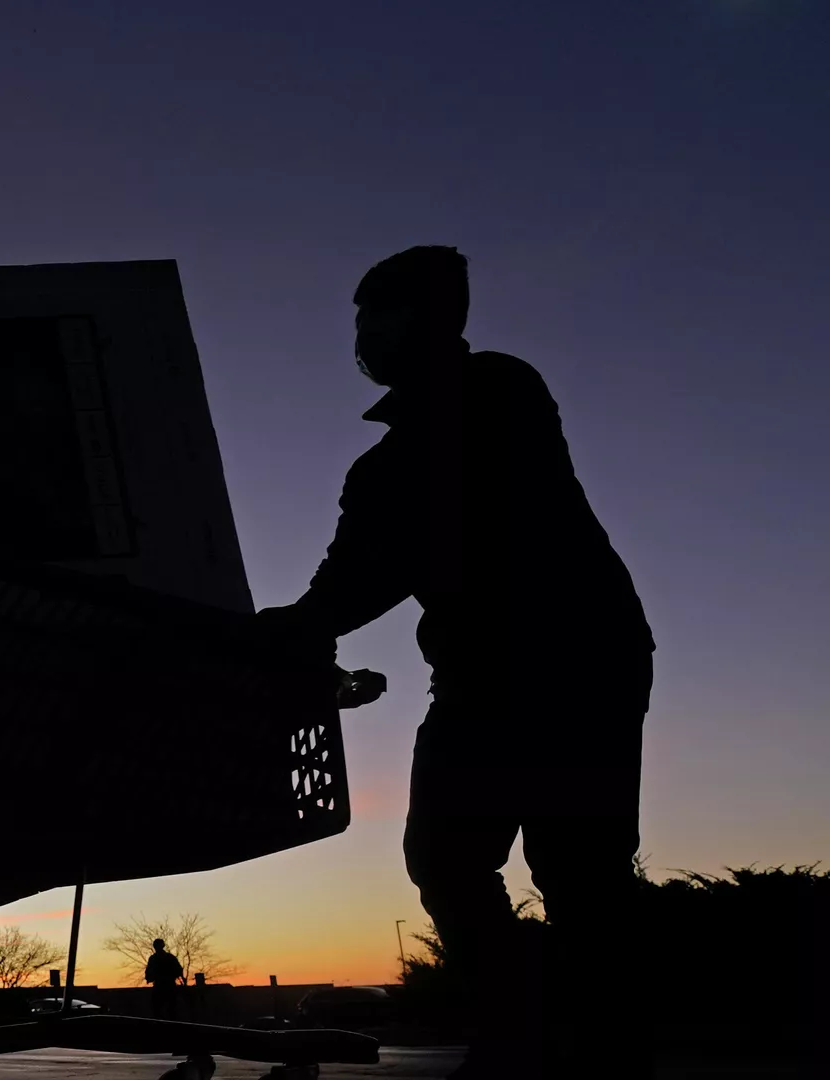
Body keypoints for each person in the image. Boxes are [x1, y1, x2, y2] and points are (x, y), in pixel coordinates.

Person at [258, 247, 654, 1078]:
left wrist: (312, 620)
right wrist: (301, 625)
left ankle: (593, 1044)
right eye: (359, 322)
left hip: (575, 659)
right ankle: (526, 1026)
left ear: (434, 318)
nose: (364, 336)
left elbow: (409, 540)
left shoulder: (502, 392)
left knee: (578, 865)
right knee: (444, 855)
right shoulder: (381, 464)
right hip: (478, 674)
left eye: (377, 316)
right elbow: (350, 570)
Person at [144, 939, 185, 1021]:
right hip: (167, 986)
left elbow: (148, 974)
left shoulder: (154, 959)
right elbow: (179, 970)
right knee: (166, 1010)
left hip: (163, 986)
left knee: (164, 1010)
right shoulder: (168, 957)